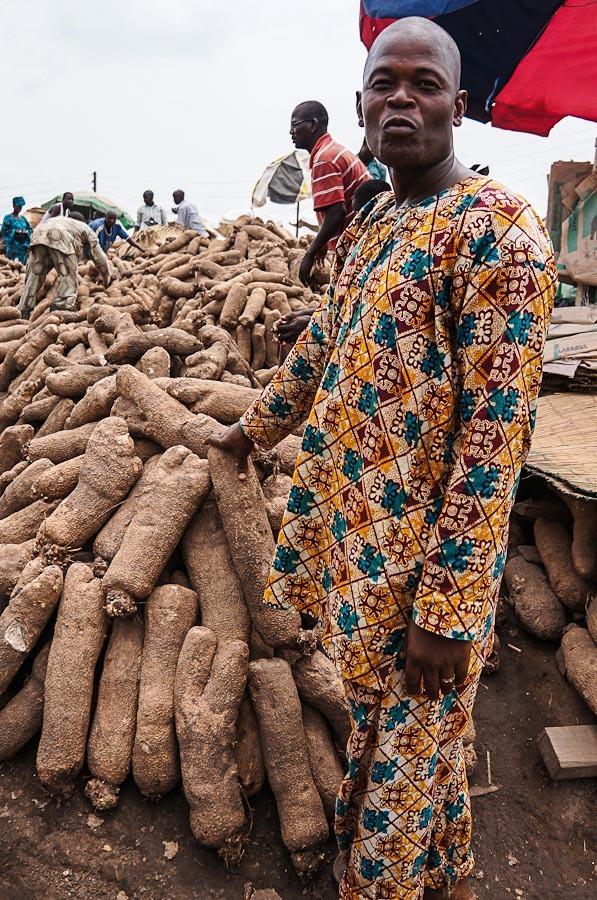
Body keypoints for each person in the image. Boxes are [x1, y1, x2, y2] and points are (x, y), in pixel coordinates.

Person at [210, 16, 556, 900]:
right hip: (357, 558)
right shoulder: (374, 224)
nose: (401, 98)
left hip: (424, 583)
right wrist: (245, 434)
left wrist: (443, 610)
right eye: (383, 83)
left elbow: (493, 441)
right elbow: (320, 346)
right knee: (408, 751)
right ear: (361, 106)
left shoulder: (498, 236)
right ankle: (453, 878)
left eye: (423, 83)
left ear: (459, 106)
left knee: (395, 790)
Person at [274, 179, 393, 358]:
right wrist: (304, 315)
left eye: (361, 215)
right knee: (291, 332)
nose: (356, 222)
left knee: (302, 341)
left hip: (376, 347)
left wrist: (311, 324)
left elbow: (367, 318)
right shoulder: (360, 251)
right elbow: (342, 305)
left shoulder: (386, 254)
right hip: (351, 332)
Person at [290, 100, 369, 287]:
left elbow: (337, 212)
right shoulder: (332, 151)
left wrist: (310, 253)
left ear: (314, 125)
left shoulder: (324, 159)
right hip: (362, 241)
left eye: (295, 125)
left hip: (357, 246)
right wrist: (324, 244)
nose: (290, 132)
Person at [20, 212, 110, 319]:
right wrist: (106, 280)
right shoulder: (86, 228)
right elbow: (100, 259)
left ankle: (25, 310)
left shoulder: (62, 221)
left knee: (34, 276)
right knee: (69, 279)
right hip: (61, 237)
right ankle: (61, 309)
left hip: (39, 233)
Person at [1, 197, 32, 265]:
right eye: (18, 206)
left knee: (22, 267)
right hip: (13, 248)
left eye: (20, 207)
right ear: (13, 206)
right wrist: (15, 232)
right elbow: (4, 231)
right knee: (13, 265)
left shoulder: (23, 219)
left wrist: (26, 232)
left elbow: (30, 229)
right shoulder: (8, 218)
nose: (19, 208)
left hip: (23, 248)